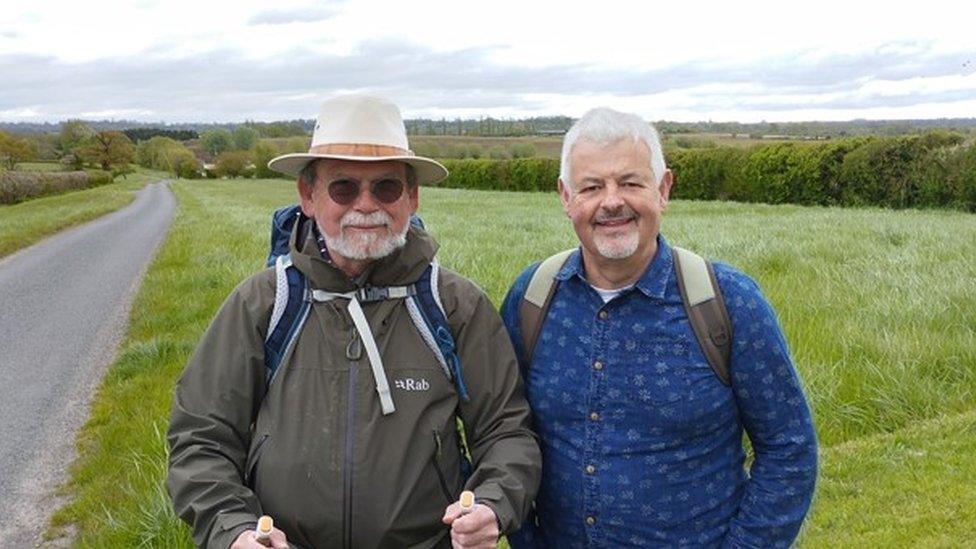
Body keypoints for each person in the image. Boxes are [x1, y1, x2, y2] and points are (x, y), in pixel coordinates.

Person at [167, 95, 540, 549]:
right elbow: (201, 438)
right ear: (308, 195)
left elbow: (507, 432)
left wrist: (492, 502)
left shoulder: (453, 305)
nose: (366, 205)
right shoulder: (264, 304)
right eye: (343, 188)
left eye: (386, 188)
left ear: (412, 196)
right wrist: (233, 530)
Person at [500, 107, 818, 547]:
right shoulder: (532, 298)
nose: (612, 201)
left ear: (663, 188)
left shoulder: (728, 302)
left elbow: (790, 447)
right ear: (566, 197)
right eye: (592, 187)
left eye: (630, 182)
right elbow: (505, 433)